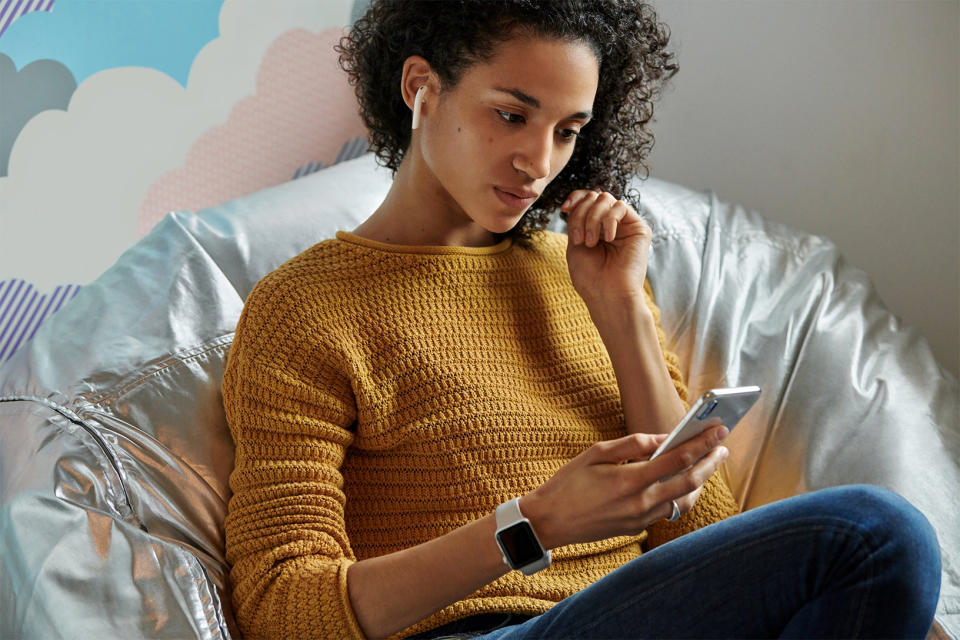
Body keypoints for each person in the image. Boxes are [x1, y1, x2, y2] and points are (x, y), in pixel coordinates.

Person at [220, 1, 942, 638]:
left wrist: (620, 310)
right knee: (878, 538)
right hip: (477, 631)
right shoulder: (304, 308)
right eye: (512, 114)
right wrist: (535, 524)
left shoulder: (581, 276)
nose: (539, 161)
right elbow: (282, 608)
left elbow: (712, 538)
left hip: (636, 614)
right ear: (421, 88)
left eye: (568, 131)